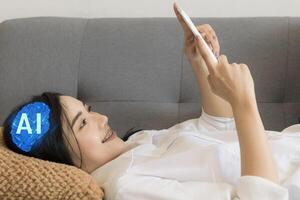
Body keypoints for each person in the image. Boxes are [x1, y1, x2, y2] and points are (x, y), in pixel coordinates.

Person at [2, 3, 299, 199]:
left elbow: (217, 128)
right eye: (83, 124)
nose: (102, 119)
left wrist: (199, 63)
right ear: (64, 161)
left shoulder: (137, 143)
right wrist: (245, 104)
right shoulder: (127, 186)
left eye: (89, 111)